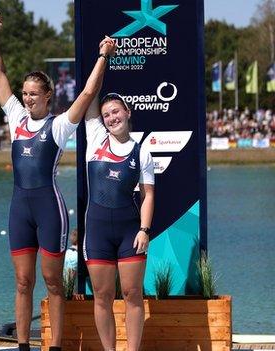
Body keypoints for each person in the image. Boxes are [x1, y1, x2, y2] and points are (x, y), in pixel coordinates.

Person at [0, 12, 116, 351]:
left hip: (49, 209)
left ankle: (56, 346)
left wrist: (103, 54)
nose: (29, 98)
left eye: (35, 94)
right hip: (20, 208)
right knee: (22, 281)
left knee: (52, 282)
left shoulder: (59, 126)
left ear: (48, 96)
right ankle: (21, 345)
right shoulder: (16, 118)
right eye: (25, 93)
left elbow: (89, 91)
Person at [82, 91, 155, 350]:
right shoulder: (95, 139)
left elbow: (147, 196)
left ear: (127, 112)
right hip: (97, 233)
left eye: (116, 111)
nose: (112, 118)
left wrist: (144, 230)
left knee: (132, 294)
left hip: (129, 232)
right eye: (106, 115)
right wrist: (102, 56)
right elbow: (90, 92)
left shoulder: (142, 153)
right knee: (102, 297)